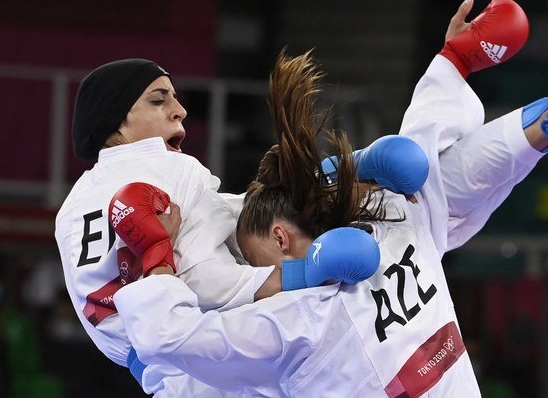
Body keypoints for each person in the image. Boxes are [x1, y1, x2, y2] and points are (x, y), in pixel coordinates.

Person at [114, 0, 548, 396]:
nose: (263, 282)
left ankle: (545, 126)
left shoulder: (292, 323)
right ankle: (547, 124)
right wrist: (455, 62)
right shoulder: (393, 223)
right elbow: (425, 155)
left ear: (280, 236)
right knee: (432, 184)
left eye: (258, 263)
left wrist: (155, 267)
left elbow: (176, 343)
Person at [55, 56, 389, 394]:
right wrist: (306, 272)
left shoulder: (69, 211)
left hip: (160, 375)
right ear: (116, 119)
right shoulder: (170, 168)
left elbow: (229, 214)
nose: (179, 110)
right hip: (214, 357)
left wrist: (323, 177)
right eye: (159, 100)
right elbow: (206, 279)